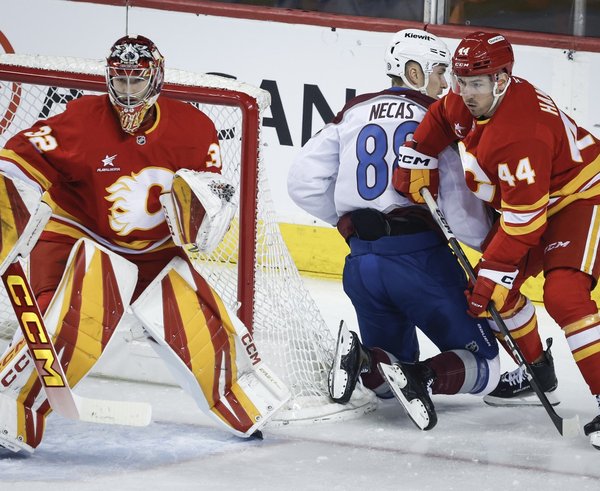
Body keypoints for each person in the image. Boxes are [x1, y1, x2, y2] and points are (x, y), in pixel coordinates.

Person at [0, 34, 289, 454]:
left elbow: (210, 205)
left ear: (156, 79)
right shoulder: (81, 119)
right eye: (120, 81)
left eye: (136, 81)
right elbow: (18, 159)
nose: (127, 91)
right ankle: (13, 405)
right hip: (75, 235)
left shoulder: (195, 129)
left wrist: (205, 219)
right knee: (68, 318)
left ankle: (239, 397)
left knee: (204, 328)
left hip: (155, 253)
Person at [393, 31, 600, 449]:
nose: (464, 93)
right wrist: (417, 155)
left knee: (564, 295)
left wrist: (493, 272)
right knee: (493, 296)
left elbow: (525, 225)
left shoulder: (522, 132)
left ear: (502, 81)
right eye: (459, 80)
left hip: (582, 197)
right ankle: (538, 371)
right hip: (537, 206)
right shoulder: (467, 98)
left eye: (475, 84)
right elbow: (439, 118)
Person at [288, 29, 500, 431]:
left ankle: (365, 361)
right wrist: (498, 244)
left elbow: (301, 181)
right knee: (485, 366)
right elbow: (460, 210)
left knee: (386, 385)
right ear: (413, 71)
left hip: (361, 265)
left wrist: (347, 223)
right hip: (420, 262)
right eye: (439, 72)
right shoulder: (436, 119)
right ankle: (425, 377)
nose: (445, 84)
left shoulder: (352, 111)